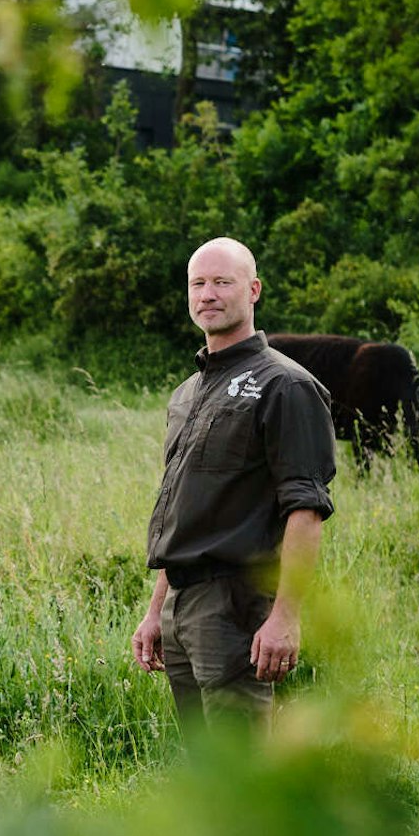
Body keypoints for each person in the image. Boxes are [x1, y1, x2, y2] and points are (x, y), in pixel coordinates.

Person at [131, 237, 336, 734]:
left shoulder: (286, 386)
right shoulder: (188, 392)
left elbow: (305, 510)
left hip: (236, 604)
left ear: (254, 290)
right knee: (206, 772)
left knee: (241, 769)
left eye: (222, 282)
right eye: (197, 283)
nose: (208, 294)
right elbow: (187, 509)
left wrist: (286, 616)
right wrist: (157, 611)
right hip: (182, 606)